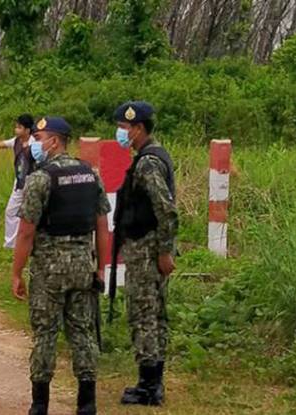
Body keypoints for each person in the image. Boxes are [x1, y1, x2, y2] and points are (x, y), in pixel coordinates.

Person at [10, 117, 110, 415]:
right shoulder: (90, 176)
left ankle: (40, 404)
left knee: (46, 333)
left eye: (39, 138)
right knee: (82, 332)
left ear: (54, 141)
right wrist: (101, 268)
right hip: (83, 266)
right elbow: (102, 227)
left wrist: (16, 272)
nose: (35, 144)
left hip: (49, 269)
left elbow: (26, 231)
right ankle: (87, 403)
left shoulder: (40, 179)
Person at [112, 101, 178, 406]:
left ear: (138, 129)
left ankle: (149, 386)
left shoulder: (149, 162)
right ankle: (151, 381)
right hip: (147, 248)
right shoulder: (149, 157)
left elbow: (166, 210)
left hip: (148, 251)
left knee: (145, 315)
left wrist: (165, 252)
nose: (120, 134)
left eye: (124, 129)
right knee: (153, 315)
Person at [0, 114, 35, 248]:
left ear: (27, 130)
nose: (16, 130)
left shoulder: (35, 143)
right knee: (11, 211)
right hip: (19, 181)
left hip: (32, 180)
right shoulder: (16, 141)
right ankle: (11, 243)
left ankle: (31, 242)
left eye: (19, 127)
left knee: (32, 213)